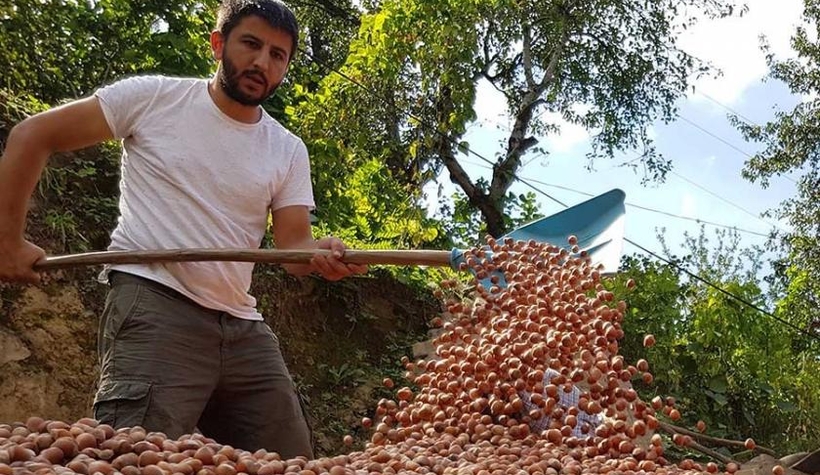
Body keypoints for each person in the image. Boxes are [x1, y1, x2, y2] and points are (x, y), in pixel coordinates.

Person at [0, 0, 367, 458]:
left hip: (241, 323)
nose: (262, 63)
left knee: (291, 460)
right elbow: (32, 136)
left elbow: (294, 249)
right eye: (251, 45)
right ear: (218, 44)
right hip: (155, 300)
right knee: (132, 455)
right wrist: (7, 242)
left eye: (278, 55)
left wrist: (321, 254)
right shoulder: (153, 98)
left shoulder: (288, 149)